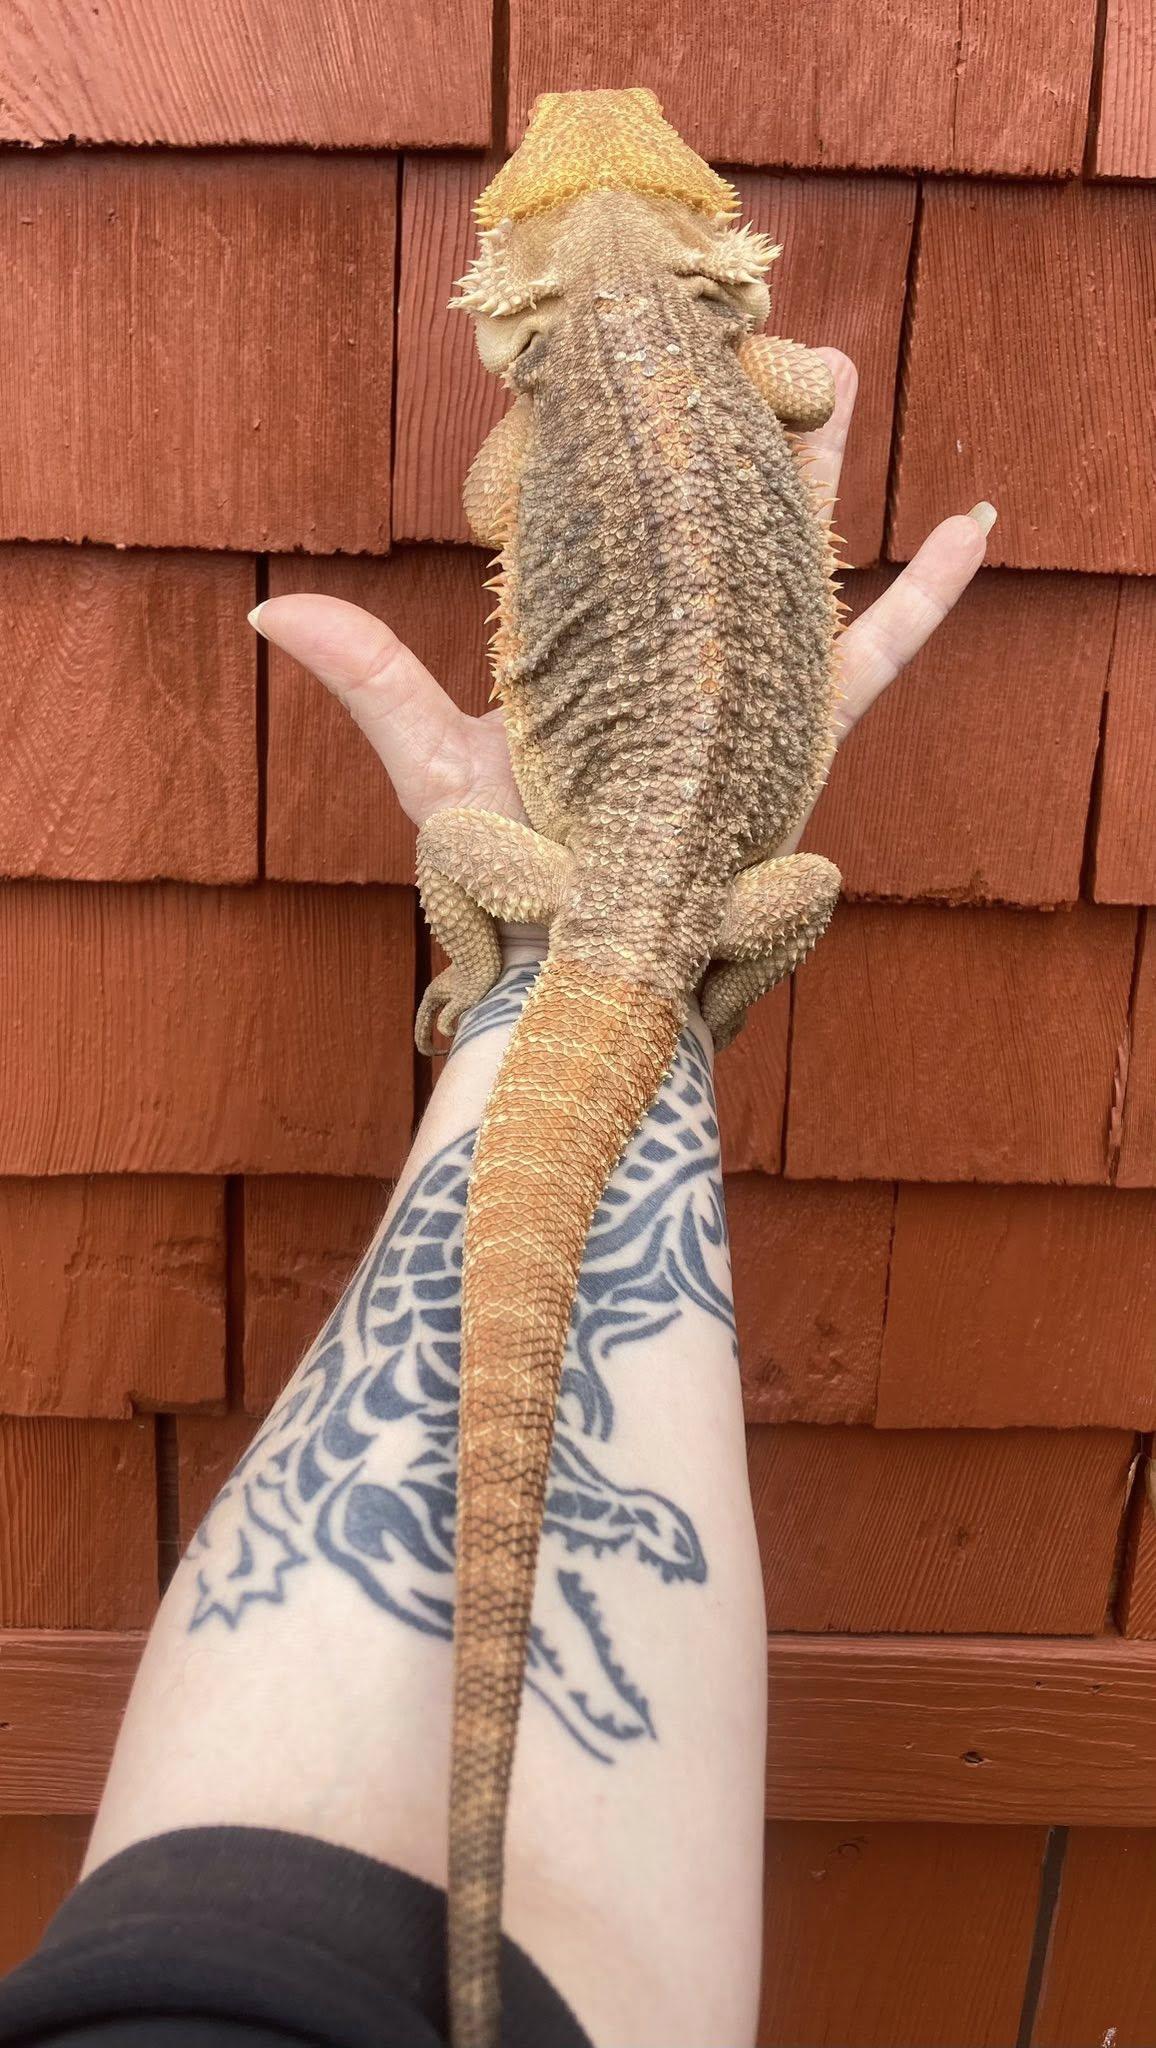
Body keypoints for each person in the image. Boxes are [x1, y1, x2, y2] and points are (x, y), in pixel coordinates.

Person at [0, 354, 992, 2048]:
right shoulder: (764, 373)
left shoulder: (543, 417)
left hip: (578, 892)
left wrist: (504, 963)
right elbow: (813, 394)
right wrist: (680, 1004)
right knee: (777, 881)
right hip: (710, 883)